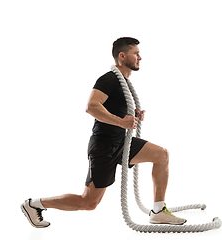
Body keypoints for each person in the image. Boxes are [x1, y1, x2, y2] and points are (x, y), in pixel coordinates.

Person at [20, 37, 186, 228]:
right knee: (89, 202)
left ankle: (158, 211)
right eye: (136, 53)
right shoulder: (108, 79)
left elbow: (112, 108)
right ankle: (34, 204)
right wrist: (121, 121)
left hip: (121, 142)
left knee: (161, 154)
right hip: (104, 146)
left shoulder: (124, 82)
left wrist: (133, 115)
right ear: (122, 56)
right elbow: (91, 107)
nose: (140, 57)